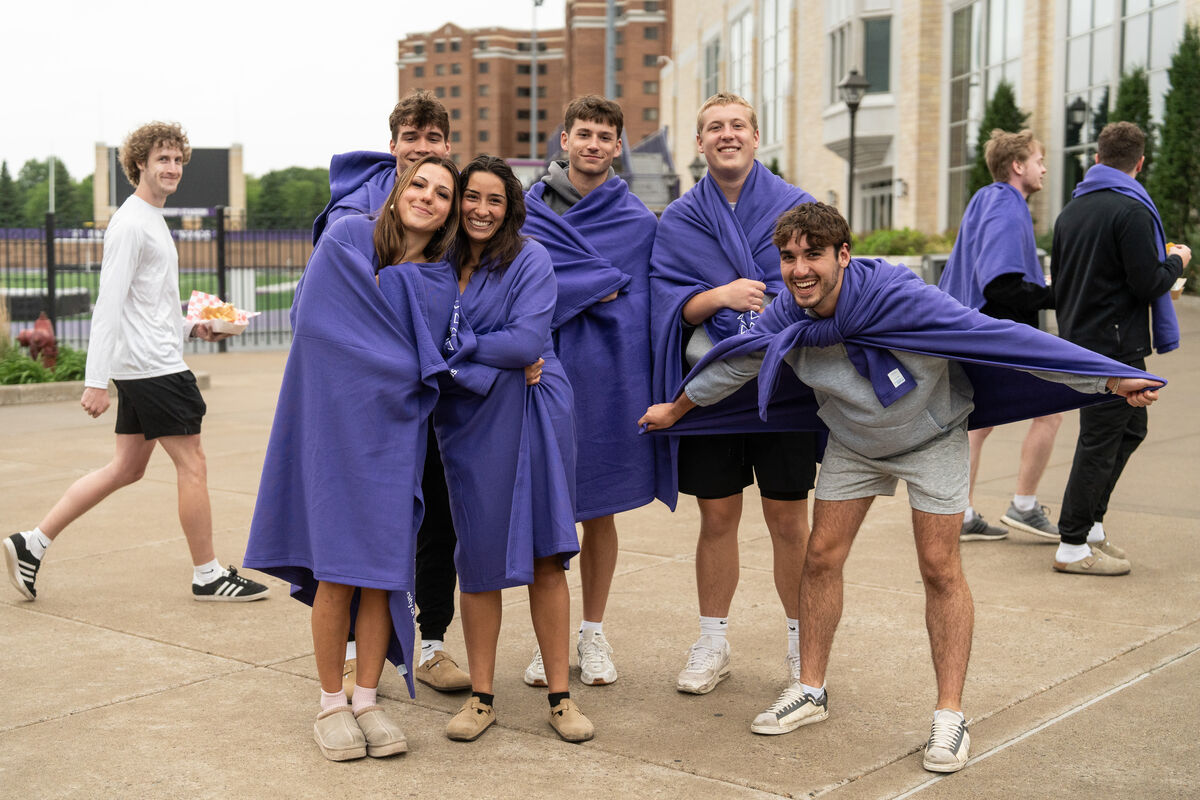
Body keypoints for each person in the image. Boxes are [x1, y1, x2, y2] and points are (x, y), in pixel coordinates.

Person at [640, 202, 1163, 771]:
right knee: (819, 558)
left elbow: (999, 338)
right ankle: (809, 689)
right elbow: (732, 365)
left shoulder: (899, 297)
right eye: (788, 258)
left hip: (931, 435)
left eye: (813, 255)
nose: (798, 270)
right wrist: (676, 407)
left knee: (939, 567)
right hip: (855, 443)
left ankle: (949, 717)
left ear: (843, 255)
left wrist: (1108, 376)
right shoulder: (785, 316)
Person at [244, 155, 464, 761]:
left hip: (395, 437)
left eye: (443, 192)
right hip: (336, 431)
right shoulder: (345, 238)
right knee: (338, 572)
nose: (428, 197)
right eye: (418, 184)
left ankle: (367, 697)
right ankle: (330, 703)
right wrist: (399, 362)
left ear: (450, 210)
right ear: (397, 191)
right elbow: (318, 329)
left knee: (383, 576)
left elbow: (440, 356)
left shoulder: (441, 275)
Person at [3, 122, 268, 604]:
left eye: (177, 160)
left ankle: (32, 542)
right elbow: (108, 304)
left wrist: (196, 327)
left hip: (150, 360)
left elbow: (150, 308)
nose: (172, 168)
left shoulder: (151, 220)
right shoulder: (130, 223)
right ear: (139, 165)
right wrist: (95, 381)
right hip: (155, 369)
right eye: (162, 159)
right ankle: (208, 574)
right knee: (193, 463)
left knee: (126, 468)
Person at [649, 92, 817, 698]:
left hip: (784, 386)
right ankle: (712, 641)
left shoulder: (797, 206)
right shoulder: (679, 219)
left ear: (755, 136)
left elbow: (816, 287)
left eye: (737, 125)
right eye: (714, 127)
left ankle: (805, 647)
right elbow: (672, 304)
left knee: (788, 520)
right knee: (717, 516)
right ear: (699, 142)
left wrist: (770, 305)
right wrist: (720, 297)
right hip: (711, 389)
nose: (727, 134)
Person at [310, 90, 471, 696]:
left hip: (430, 400)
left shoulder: (453, 222)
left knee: (437, 515)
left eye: (434, 140)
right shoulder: (351, 221)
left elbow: (477, 293)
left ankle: (430, 643)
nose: (422, 151)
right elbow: (328, 313)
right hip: (365, 404)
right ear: (393, 145)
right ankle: (352, 656)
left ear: (447, 147)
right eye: (411, 138)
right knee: (357, 537)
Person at [438, 155, 593, 744]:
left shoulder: (529, 257)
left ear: (510, 208)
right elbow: (424, 339)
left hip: (535, 408)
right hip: (469, 415)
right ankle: (481, 698)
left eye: (494, 200)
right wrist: (482, 355)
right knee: (476, 556)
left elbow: (530, 340)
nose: (481, 209)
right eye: (471, 197)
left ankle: (560, 697)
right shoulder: (437, 261)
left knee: (544, 555)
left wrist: (460, 345)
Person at [520, 95, 658, 687]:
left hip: (608, 374)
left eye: (605, 135)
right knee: (544, 511)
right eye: (584, 133)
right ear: (565, 139)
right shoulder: (523, 212)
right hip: (539, 371)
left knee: (597, 509)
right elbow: (512, 280)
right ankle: (547, 640)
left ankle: (593, 633)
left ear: (618, 146)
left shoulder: (639, 221)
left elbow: (647, 300)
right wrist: (595, 283)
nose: (594, 144)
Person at [1051, 121, 1190, 575]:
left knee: (1130, 429)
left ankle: (1090, 526)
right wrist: (1177, 260)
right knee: (1100, 438)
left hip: (1086, 336)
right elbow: (1148, 281)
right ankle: (1071, 544)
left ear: (1097, 158)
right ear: (1140, 163)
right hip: (1111, 343)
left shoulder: (1071, 211)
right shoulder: (1130, 211)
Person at [938, 129, 1062, 542]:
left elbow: (994, 275)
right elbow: (1001, 286)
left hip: (968, 326)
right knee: (1050, 409)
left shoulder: (985, 199)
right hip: (991, 326)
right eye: (1039, 159)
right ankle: (1022, 506)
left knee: (977, 422)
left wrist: (1039, 286)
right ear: (1018, 166)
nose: (1044, 167)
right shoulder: (1007, 204)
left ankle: (961, 512)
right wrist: (1058, 294)